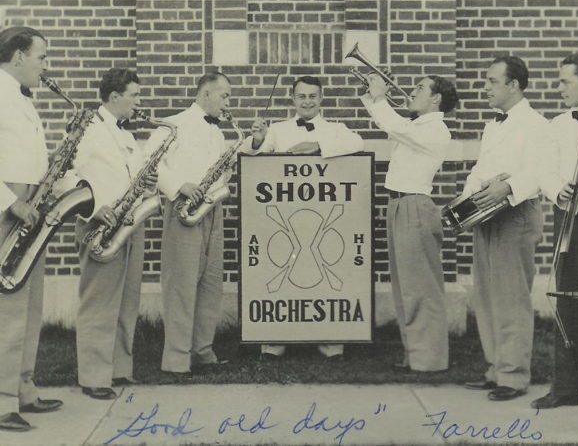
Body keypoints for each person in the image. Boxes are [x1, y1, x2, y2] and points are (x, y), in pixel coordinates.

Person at [242, 75, 364, 360]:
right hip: (285, 215)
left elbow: (358, 143)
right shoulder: (277, 129)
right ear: (293, 100)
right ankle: (276, 340)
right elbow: (250, 153)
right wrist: (258, 139)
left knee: (323, 269)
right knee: (283, 267)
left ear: (321, 99)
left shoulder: (335, 130)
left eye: (312, 96)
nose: (307, 101)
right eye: (301, 96)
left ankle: (328, 338)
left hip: (323, 214)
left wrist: (318, 146)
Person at [461, 56, 548, 401]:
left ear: (513, 85)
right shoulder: (493, 124)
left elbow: (542, 171)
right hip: (485, 214)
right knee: (486, 295)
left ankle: (513, 377)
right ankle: (496, 368)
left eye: (492, 81)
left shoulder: (537, 124)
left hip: (516, 214)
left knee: (511, 297)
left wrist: (508, 189)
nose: (486, 88)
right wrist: (466, 198)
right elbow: (481, 168)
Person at [65, 68, 155, 399]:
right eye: (134, 95)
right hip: (100, 224)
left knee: (126, 301)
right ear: (114, 97)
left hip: (129, 222)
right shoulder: (88, 130)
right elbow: (66, 175)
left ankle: (119, 369)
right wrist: (95, 207)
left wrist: (144, 187)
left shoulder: (126, 135)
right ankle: (93, 377)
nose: (138, 102)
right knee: (99, 303)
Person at [361, 73, 458, 373]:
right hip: (400, 204)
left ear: (436, 98)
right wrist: (372, 95)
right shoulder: (417, 125)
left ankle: (430, 359)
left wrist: (378, 96)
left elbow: (392, 124)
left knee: (420, 287)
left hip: (414, 205)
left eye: (420, 88)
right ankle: (415, 355)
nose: (413, 91)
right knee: (405, 287)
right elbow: (393, 124)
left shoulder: (437, 129)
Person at [146, 72, 232, 377]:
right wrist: (178, 185)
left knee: (210, 285)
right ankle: (177, 359)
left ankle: (202, 352)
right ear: (206, 93)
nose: (227, 103)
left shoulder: (219, 133)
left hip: (212, 210)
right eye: (224, 96)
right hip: (183, 209)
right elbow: (150, 161)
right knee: (181, 286)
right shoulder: (175, 123)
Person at [0, 26, 63, 432]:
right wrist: (11, 203)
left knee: (30, 305)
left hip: (31, 205)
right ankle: (2, 401)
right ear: (19, 55)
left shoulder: (22, 98)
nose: (46, 65)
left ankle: (24, 389)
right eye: (42, 56)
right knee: (7, 308)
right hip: (10, 207)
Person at [532, 52, 578, 409]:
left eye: (564, 81)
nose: (558, 88)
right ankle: (566, 388)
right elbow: (544, 168)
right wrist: (558, 189)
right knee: (568, 299)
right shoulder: (555, 124)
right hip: (570, 216)